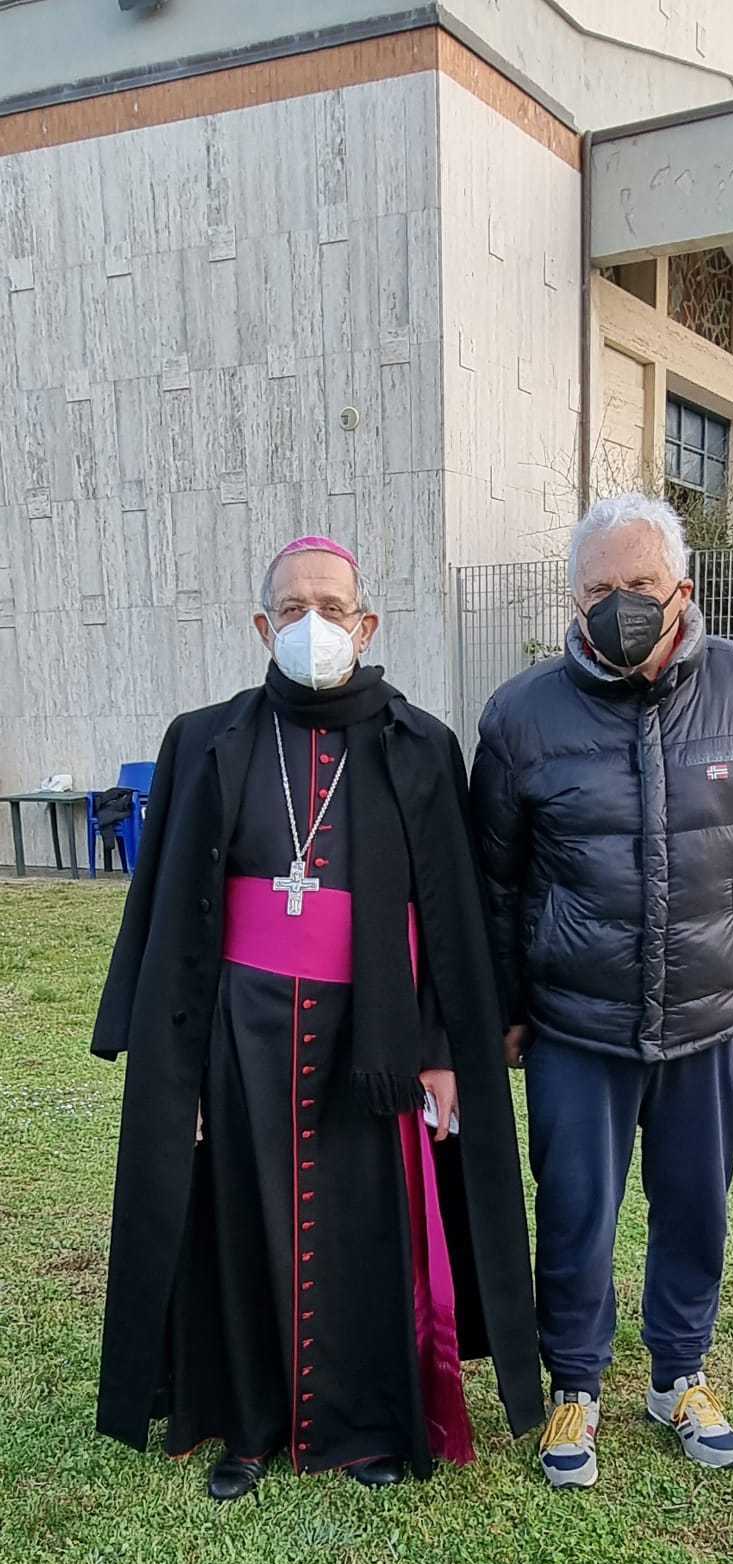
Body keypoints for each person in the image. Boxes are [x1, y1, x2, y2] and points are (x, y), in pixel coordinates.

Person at [93, 536, 542, 1500]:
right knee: (243, 1221)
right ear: (263, 626)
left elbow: (450, 918)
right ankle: (247, 1426)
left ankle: (369, 1426)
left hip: (372, 1035)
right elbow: (165, 904)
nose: (313, 624)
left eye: (332, 608)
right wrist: (168, 1056)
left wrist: (439, 1048)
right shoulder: (204, 739)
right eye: (293, 608)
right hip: (239, 1031)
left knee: (368, 1232)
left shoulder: (420, 745)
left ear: (366, 624)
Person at [471, 493, 733, 1490]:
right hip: (574, 1023)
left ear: (683, 589)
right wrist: (506, 1006)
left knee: (695, 1206)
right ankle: (575, 1382)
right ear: (573, 601)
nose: (620, 604)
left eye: (640, 584)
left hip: (711, 1014)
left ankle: (679, 1376)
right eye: (600, 588)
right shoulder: (520, 715)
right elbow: (493, 882)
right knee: (574, 1209)